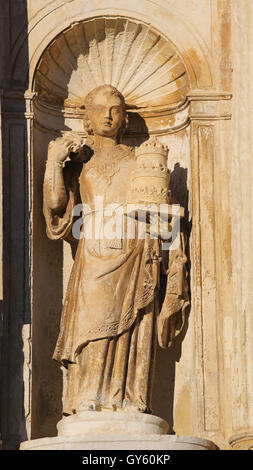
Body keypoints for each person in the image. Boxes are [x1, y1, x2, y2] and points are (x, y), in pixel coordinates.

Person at [43, 84, 189, 416]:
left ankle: (129, 398)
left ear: (124, 119)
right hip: (94, 243)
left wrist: (164, 224)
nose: (108, 115)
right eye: (100, 109)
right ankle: (89, 396)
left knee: (135, 321)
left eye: (116, 109)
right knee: (93, 321)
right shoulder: (78, 160)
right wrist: (54, 161)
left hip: (137, 245)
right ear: (88, 119)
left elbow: (159, 200)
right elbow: (56, 204)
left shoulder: (140, 158)